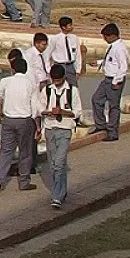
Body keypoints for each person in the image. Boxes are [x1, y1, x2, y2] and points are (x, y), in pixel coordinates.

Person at [0, 56, 40, 194]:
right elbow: (35, 109)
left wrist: (0, 110)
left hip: (8, 120)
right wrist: (38, 127)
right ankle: (24, 181)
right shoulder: (30, 84)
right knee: (25, 152)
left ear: (12, 69)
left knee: (6, 151)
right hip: (24, 121)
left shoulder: (6, 81)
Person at [40, 64, 80, 208]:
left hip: (65, 129)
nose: (56, 83)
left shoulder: (72, 91)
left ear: (64, 78)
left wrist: (62, 112)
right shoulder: (47, 90)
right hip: (50, 128)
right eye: (54, 80)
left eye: (58, 80)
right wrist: (48, 112)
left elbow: (77, 112)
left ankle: (56, 196)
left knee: (59, 162)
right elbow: (40, 108)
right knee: (54, 165)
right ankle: (61, 191)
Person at [90, 23, 128, 141]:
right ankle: (101, 125)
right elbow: (111, 60)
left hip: (114, 79)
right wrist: (98, 62)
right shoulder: (113, 47)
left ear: (112, 36)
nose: (105, 39)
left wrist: (117, 81)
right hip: (107, 79)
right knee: (96, 99)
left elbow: (123, 66)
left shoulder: (120, 48)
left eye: (106, 37)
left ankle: (112, 131)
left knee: (113, 106)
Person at [51, 17, 83, 86]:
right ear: (63, 27)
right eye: (70, 25)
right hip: (59, 65)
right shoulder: (55, 39)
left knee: (73, 87)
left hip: (70, 66)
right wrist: (49, 70)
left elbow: (78, 55)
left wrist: (78, 70)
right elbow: (47, 54)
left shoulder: (74, 38)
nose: (71, 27)